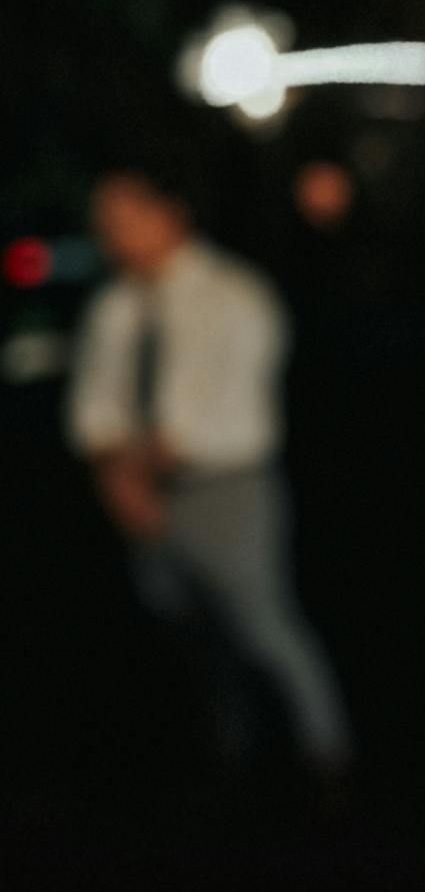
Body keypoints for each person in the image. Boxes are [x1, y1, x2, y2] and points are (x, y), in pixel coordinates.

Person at [67, 167, 353, 780]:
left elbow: (210, 419)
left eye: (125, 219)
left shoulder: (231, 295)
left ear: (168, 213)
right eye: (104, 224)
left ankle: (325, 756)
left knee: (262, 626)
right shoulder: (115, 308)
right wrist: (119, 480)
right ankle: (231, 759)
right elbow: (96, 411)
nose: (112, 236)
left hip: (225, 490)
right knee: (192, 639)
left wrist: (144, 463)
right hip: (142, 498)